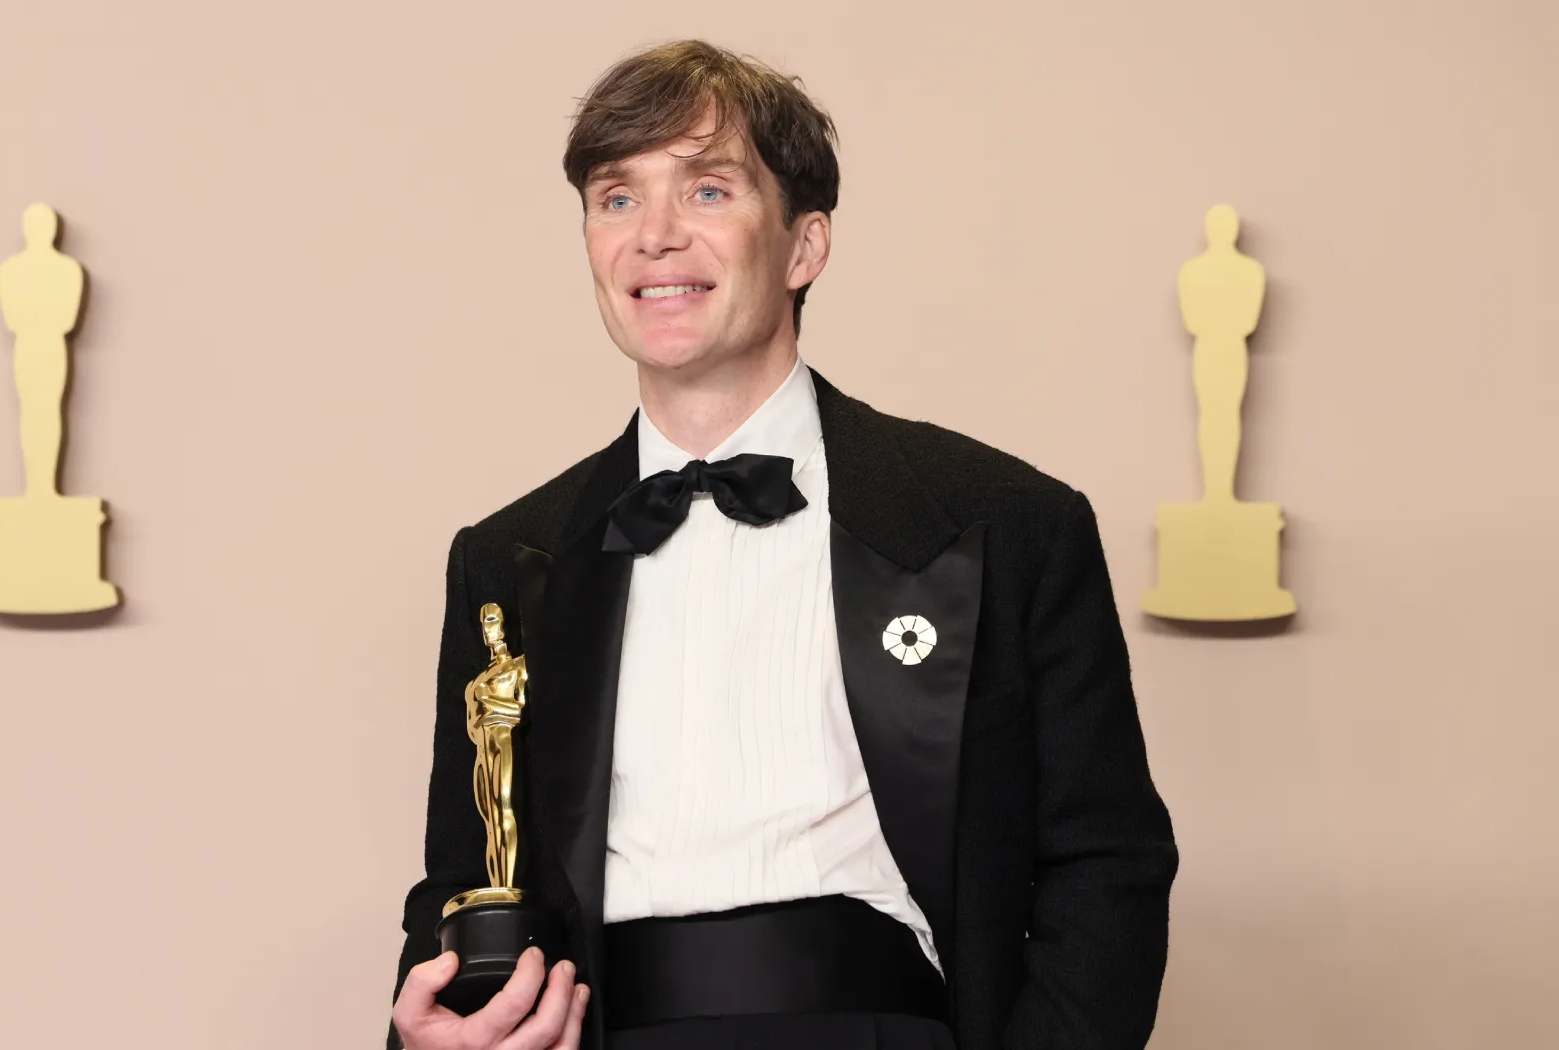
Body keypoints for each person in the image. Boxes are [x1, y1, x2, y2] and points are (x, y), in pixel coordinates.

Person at [389, 39, 1178, 1050]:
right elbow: (462, 878)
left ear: (805, 246)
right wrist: (430, 1023)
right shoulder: (506, 558)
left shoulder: (1007, 520)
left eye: (709, 190)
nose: (655, 238)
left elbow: (1106, 862)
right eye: (616, 197)